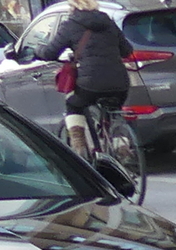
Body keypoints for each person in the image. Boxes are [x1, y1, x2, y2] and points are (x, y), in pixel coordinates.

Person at [46, 0, 130, 160]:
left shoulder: (70, 24)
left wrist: (37, 51)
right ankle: (121, 144)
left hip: (90, 83)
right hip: (119, 81)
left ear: (73, 6)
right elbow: (127, 50)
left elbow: (50, 52)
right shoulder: (107, 21)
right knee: (114, 109)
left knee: (73, 103)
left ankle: (79, 146)